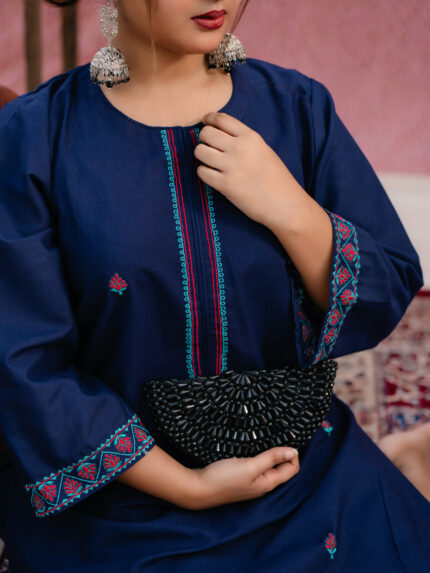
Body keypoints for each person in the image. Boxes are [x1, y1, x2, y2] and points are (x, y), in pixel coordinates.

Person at [0, 0, 429, 571]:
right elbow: (24, 361)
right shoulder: (35, 137)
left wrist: (293, 210)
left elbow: (388, 285)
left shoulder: (298, 107)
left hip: (302, 472)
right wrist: (189, 486)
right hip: (117, 500)